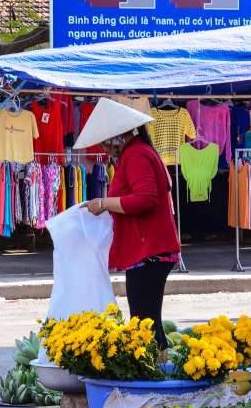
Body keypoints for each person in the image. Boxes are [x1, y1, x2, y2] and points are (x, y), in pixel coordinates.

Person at [76, 97, 180, 349]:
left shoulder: (136, 154)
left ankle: (155, 378)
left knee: (145, 324)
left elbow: (144, 199)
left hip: (150, 252)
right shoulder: (139, 151)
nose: (104, 147)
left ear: (118, 136)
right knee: (148, 323)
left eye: (105, 141)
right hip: (149, 251)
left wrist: (103, 203)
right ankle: (157, 375)